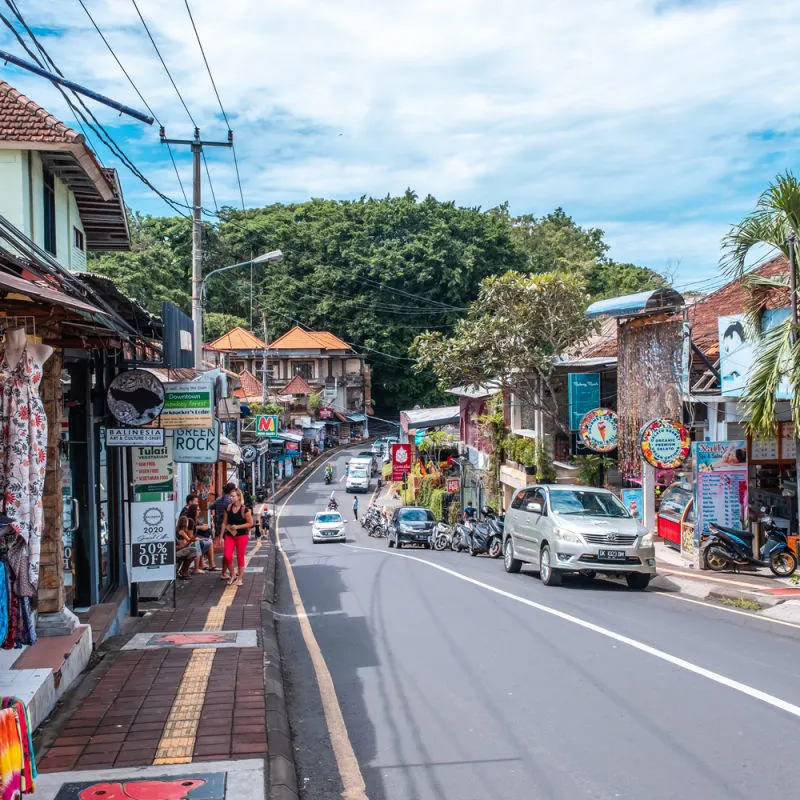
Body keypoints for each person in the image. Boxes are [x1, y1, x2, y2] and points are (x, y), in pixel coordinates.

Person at [222, 488, 253, 587]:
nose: (231, 498)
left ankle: (239, 579)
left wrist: (238, 526)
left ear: (239, 497)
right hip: (230, 535)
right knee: (227, 556)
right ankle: (233, 574)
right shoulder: (228, 508)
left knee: (240, 557)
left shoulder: (245, 509)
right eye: (230, 496)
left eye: (233, 496)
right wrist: (220, 536)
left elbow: (250, 523)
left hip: (242, 536)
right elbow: (225, 522)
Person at [181, 495, 217, 572]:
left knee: (206, 535)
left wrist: (201, 528)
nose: (199, 510)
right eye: (196, 502)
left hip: (191, 537)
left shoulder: (191, 517)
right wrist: (200, 536)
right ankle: (198, 568)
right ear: (190, 502)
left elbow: (200, 526)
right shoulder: (187, 515)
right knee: (200, 542)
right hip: (187, 539)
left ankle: (204, 564)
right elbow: (190, 536)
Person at [211, 483, 236, 580]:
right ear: (232, 490)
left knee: (228, 550)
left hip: (219, 527)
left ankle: (227, 572)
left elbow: (210, 507)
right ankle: (226, 572)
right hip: (228, 528)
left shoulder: (218, 500)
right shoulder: (229, 501)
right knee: (229, 551)